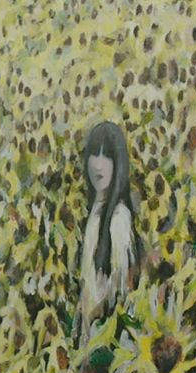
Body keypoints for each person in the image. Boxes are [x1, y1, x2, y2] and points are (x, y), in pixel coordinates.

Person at [73, 121, 141, 346]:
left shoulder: (119, 217)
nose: (98, 165)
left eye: (107, 156)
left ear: (118, 163)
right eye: (95, 154)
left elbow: (120, 296)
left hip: (109, 342)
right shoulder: (95, 212)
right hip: (91, 341)